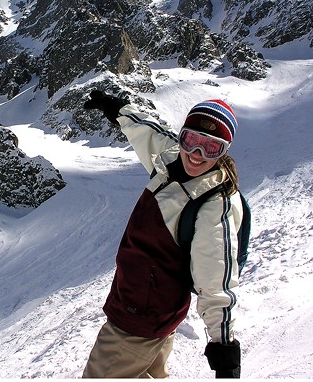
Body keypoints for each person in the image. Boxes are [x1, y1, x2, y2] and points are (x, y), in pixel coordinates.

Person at [82, 90, 243, 379]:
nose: (196, 155)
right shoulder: (171, 161)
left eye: (211, 148)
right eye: (191, 141)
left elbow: (215, 279)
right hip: (148, 310)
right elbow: (149, 133)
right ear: (182, 137)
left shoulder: (212, 205)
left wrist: (224, 351)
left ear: (224, 153)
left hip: (138, 323)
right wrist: (118, 109)